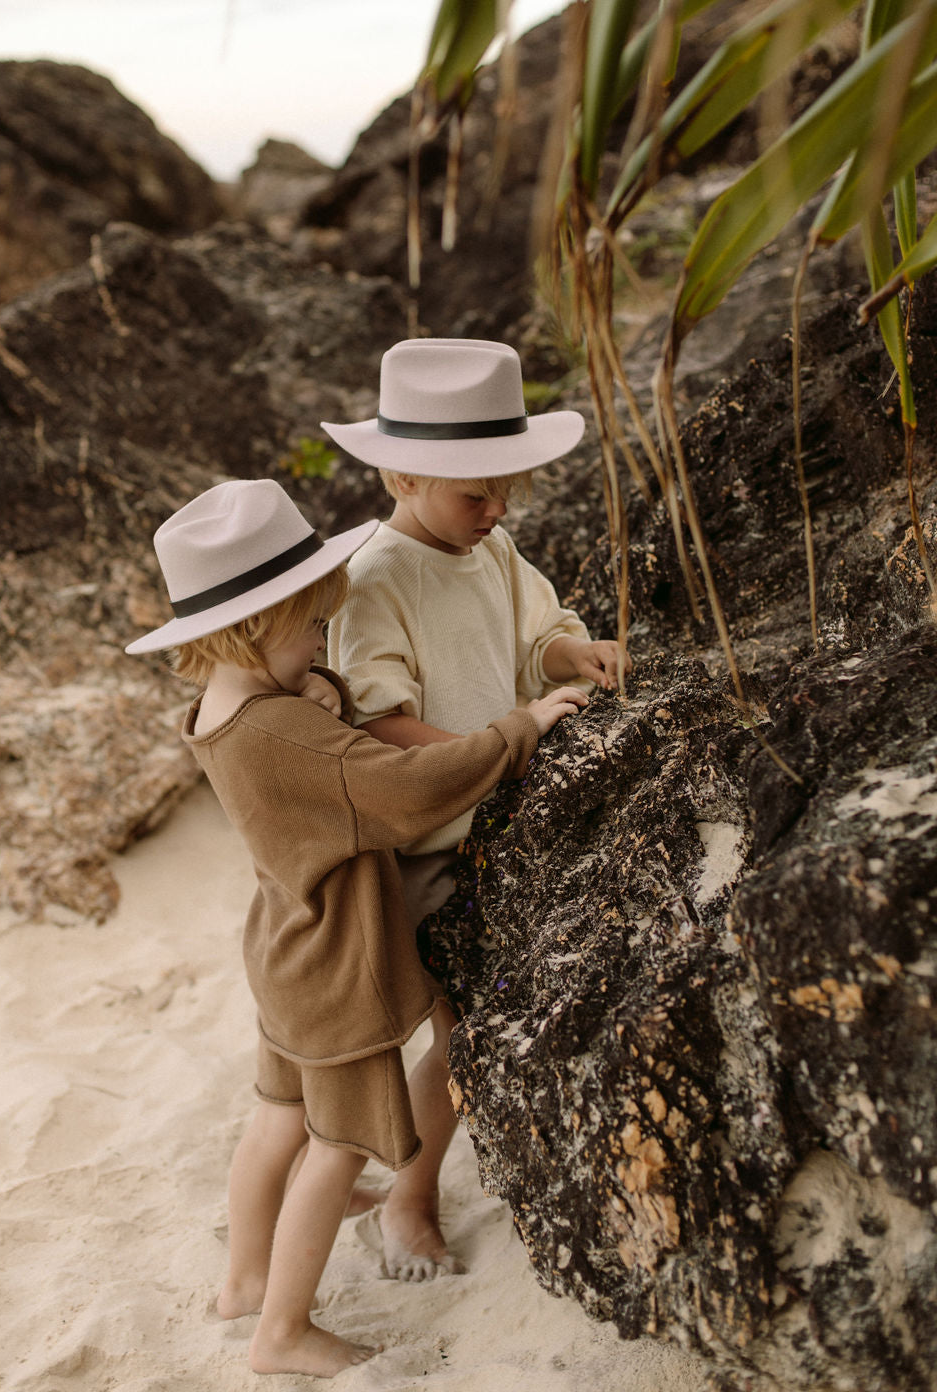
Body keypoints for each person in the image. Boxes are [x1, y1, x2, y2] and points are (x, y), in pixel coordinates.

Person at [124, 477, 587, 1379]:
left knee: (275, 1122)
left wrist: (318, 686)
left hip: (281, 949)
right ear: (259, 627)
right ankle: (283, 1333)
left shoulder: (225, 711)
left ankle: (243, 1283)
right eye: (312, 631)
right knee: (335, 1151)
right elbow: (407, 795)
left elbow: (306, 738)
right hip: (339, 968)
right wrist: (518, 726)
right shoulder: (288, 734)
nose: (321, 645)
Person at [321, 337, 632, 1282]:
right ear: (403, 472)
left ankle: (372, 1182)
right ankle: (403, 1197)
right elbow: (381, 723)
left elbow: (533, 632)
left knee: (463, 1030)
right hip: (428, 841)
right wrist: (503, 741)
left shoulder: (489, 545)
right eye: (475, 493)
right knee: (439, 1028)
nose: (497, 510)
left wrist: (570, 657)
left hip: (497, 820)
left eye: (510, 489)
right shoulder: (375, 580)